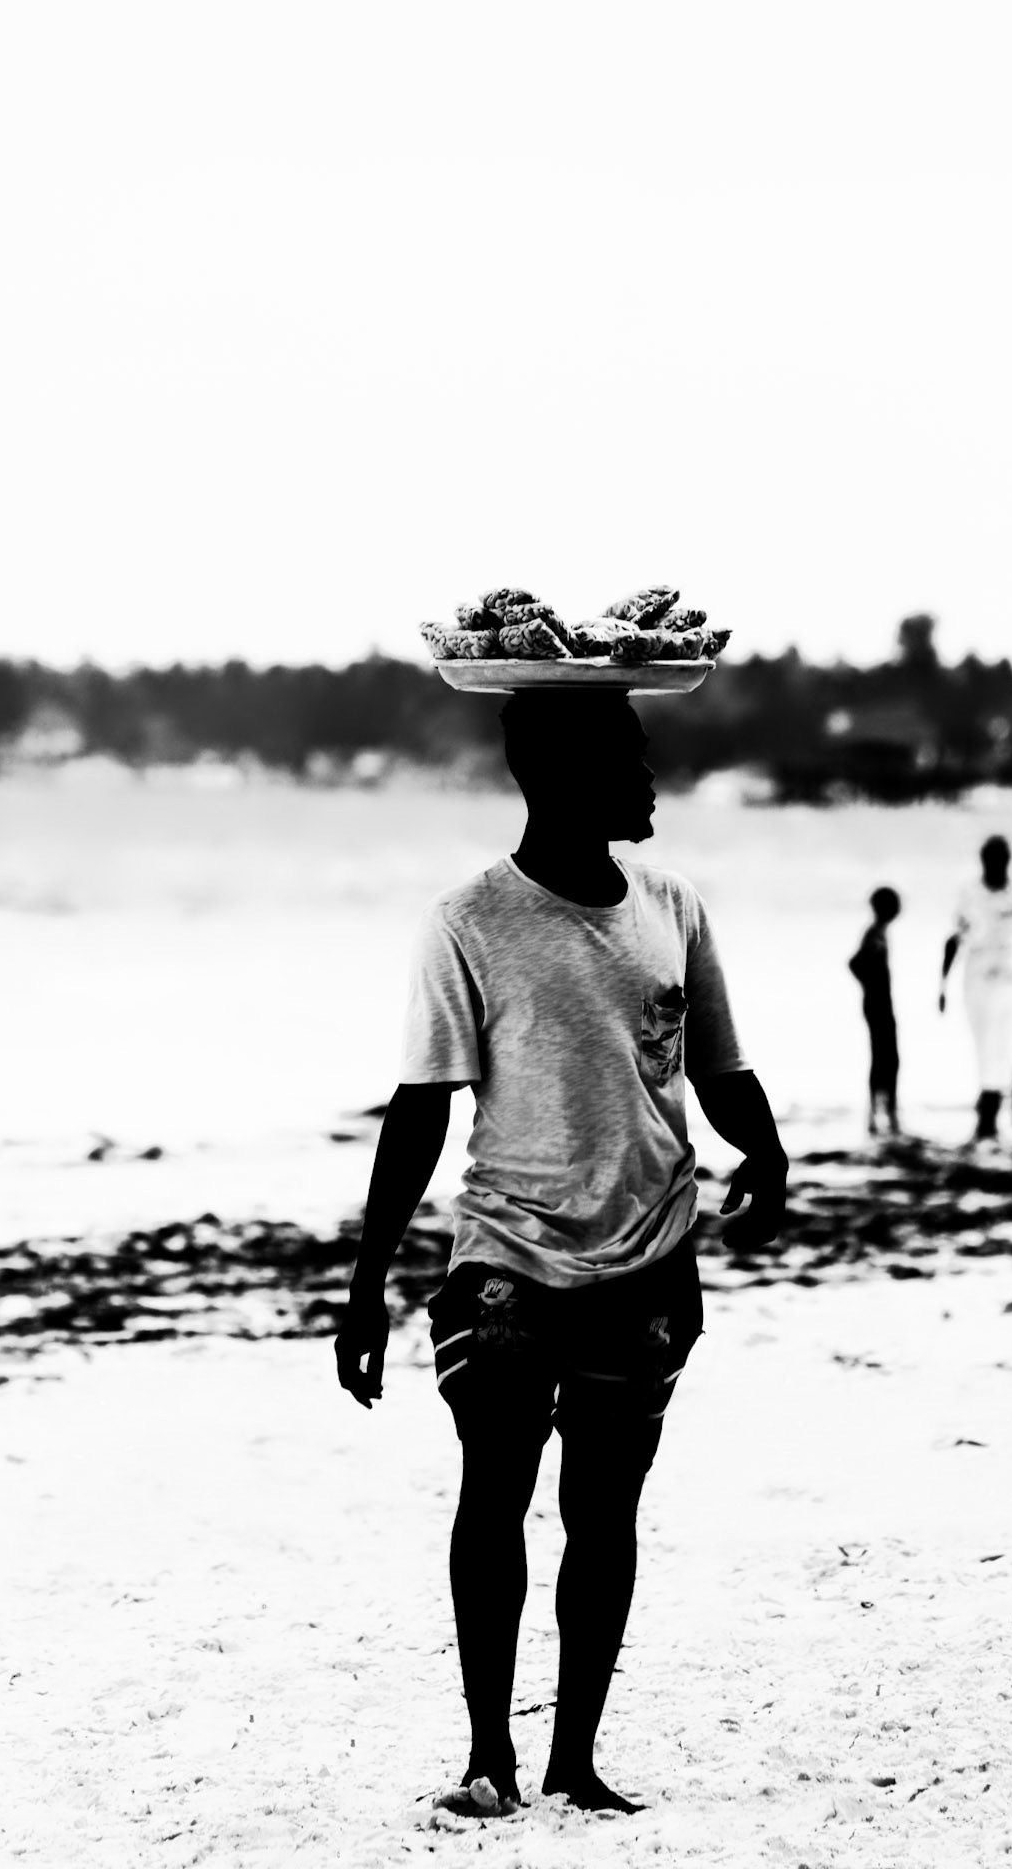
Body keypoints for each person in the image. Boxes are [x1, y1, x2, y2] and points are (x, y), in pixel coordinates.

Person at [333, 689, 788, 1818]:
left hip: (650, 1254)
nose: (647, 773)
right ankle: (490, 1754)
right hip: (505, 1261)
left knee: (606, 1510)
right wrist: (365, 1281)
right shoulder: (469, 919)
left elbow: (716, 1067)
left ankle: (574, 1757)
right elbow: (420, 1107)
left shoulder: (673, 905)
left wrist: (769, 1151)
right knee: (494, 1493)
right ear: (556, 771)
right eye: (627, 754)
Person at [939, 835, 1012, 1142]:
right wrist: (942, 983)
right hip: (977, 975)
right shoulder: (969, 893)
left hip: (1009, 976)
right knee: (983, 1043)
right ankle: (989, 1104)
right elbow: (955, 938)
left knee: (1003, 1044)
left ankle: (991, 1107)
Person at [849, 886, 901, 1137]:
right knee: (886, 1058)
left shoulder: (878, 932)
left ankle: (884, 1111)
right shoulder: (874, 934)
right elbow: (855, 963)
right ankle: (883, 1112)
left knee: (887, 1058)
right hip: (878, 1004)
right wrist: (871, 987)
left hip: (879, 1002)